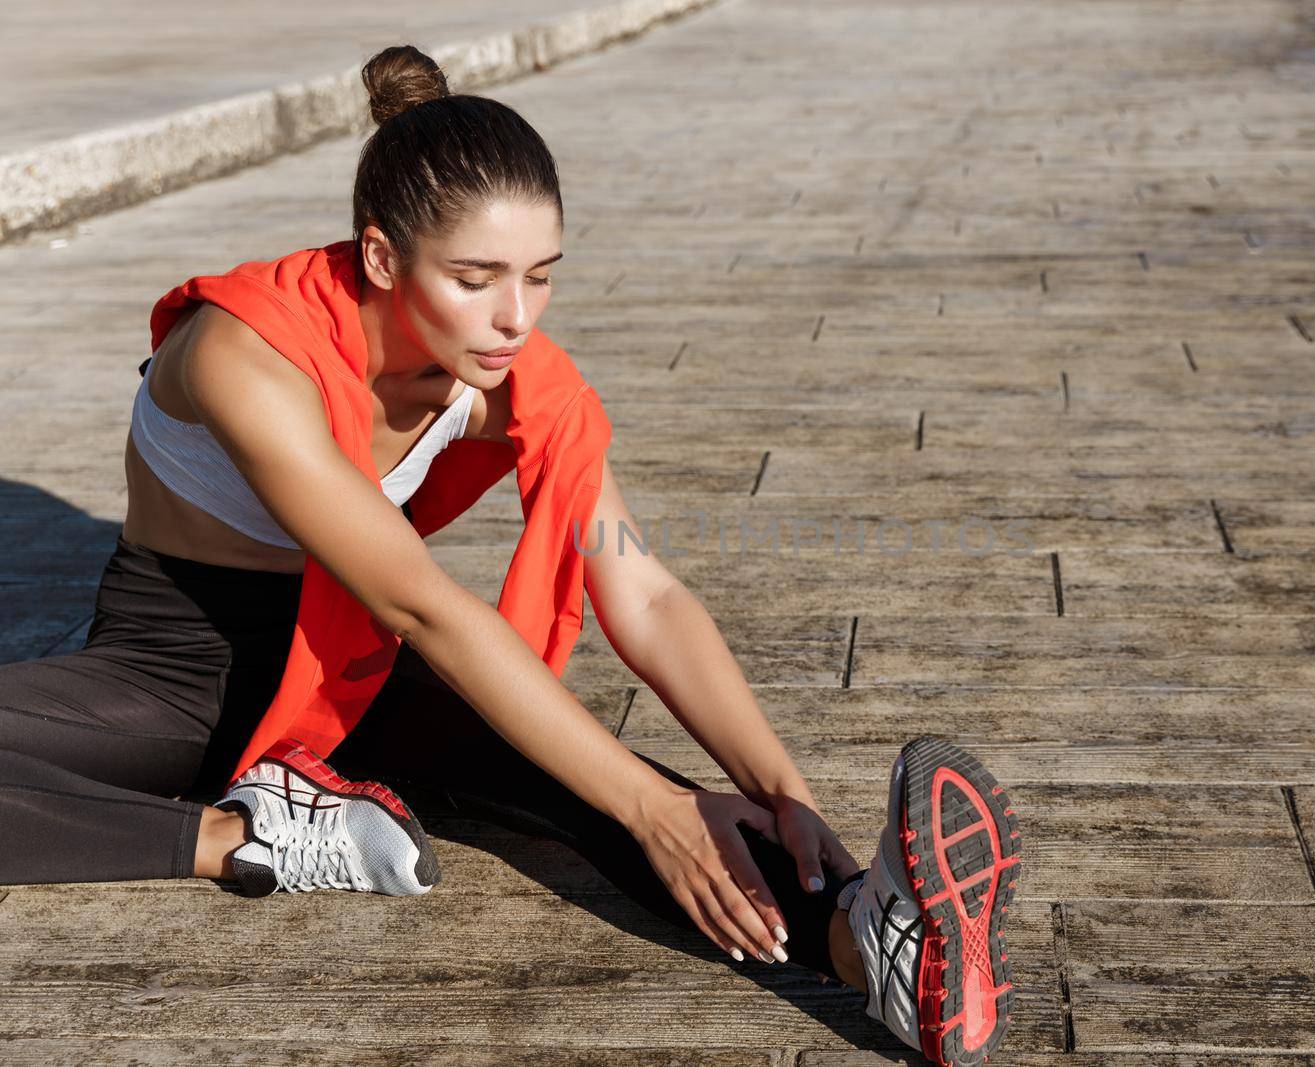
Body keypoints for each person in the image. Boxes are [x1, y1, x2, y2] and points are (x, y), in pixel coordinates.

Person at [0, 43, 1023, 1066]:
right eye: (475, 278)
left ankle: (874, 944)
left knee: (615, 787)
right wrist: (647, 802)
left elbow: (644, 589)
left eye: (539, 277)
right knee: (635, 794)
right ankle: (239, 841)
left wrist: (781, 787)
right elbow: (426, 607)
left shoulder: (512, 373)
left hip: (359, 658)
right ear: (382, 258)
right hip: (181, 660)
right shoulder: (245, 353)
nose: (514, 318)